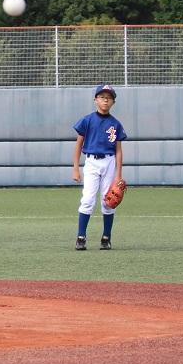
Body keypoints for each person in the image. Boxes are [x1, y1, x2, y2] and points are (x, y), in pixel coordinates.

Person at [71, 85, 126, 250]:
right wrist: (75, 167)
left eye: (109, 97)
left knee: (108, 202)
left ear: (113, 102)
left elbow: (118, 151)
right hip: (91, 162)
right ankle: (81, 237)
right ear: (95, 100)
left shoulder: (115, 124)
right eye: (102, 96)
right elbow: (79, 144)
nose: (105, 100)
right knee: (87, 199)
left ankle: (106, 237)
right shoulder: (87, 120)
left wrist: (118, 175)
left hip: (109, 162)